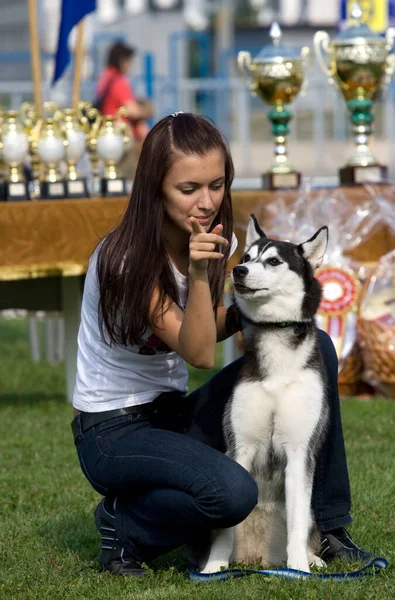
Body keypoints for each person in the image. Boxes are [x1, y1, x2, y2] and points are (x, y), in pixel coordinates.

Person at [71, 112, 372, 577]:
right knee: (232, 493)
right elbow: (199, 352)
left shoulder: (215, 237)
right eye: (188, 189)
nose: (206, 202)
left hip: (172, 412)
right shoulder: (125, 259)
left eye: (216, 185)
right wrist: (196, 273)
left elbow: (205, 322)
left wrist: (264, 305)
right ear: (154, 187)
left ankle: (327, 526)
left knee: (318, 349)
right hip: (112, 431)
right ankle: (124, 524)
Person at [95, 41, 153, 179]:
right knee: (129, 178)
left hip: (107, 137)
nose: (131, 64)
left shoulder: (105, 77)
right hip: (122, 138)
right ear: (122, 60)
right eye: (129, 60)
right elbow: (133, 111)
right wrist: (147, 110)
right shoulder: (119, 81)